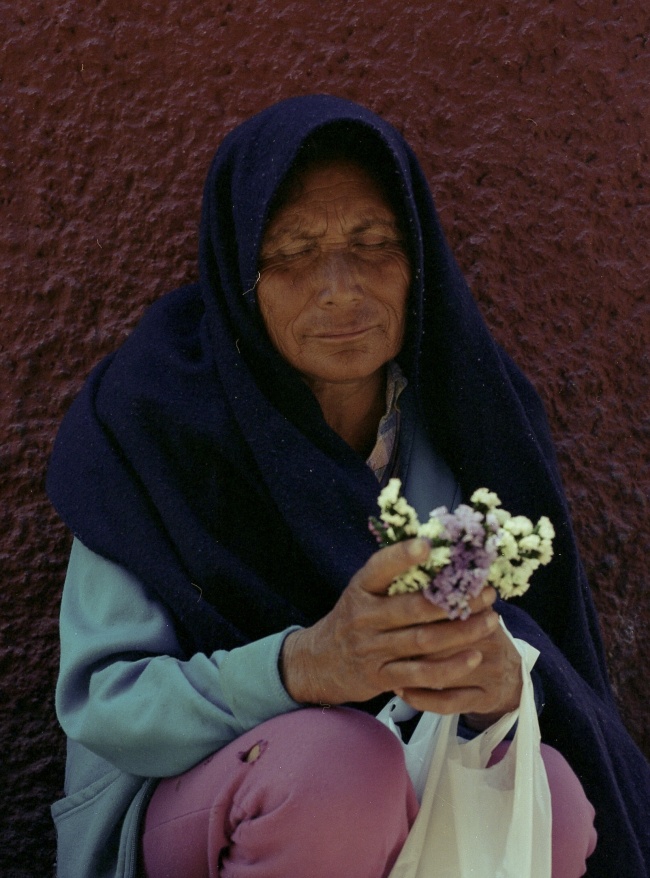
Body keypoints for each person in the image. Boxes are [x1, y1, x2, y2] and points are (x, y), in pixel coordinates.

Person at [47, 95, 650, 878]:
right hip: (197, 805)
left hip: (408, 774)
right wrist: (303, 667)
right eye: (293, 251)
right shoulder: (157, 422)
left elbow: (549, 654)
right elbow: (105, 701)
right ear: (240, 274)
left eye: (373, 243)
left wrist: (506, 689)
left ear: (417, 259)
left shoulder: (473, 420)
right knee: (339, 772)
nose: (339, 287)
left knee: (549, 800)